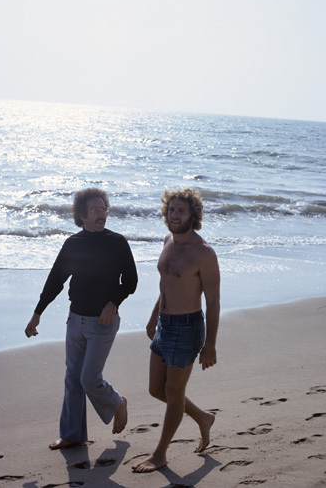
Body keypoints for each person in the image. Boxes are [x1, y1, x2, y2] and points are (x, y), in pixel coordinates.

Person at [25, 188, 138, 450]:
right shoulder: (72, 244)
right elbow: (56, 280)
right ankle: (72, 435)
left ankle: (118, 402)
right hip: (75, 319)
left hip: (103, 323)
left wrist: (113, 304)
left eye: (104, 208)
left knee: (89, 379)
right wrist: (37, 313)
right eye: (96, 210)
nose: (102, 213)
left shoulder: (117, 242)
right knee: (73, 378)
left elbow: (130, 281)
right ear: (82, 216)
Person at [132, 188, 220, 473]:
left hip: (187, 327)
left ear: (193, 215)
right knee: (157, 389)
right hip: (165, 324)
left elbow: (214, 301)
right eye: (171, 210)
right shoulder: (168, 240)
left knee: (173, 390)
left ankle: (160, 454)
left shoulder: (204, 252)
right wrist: (153, 315)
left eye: (181, 211)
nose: (175, 215)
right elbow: (166, 283)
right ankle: (203, 417)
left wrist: (210, 345)